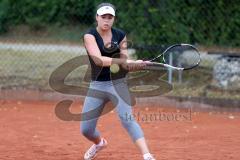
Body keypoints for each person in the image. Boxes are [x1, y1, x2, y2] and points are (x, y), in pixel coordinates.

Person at [81, 2, 156, 160]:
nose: (106, 20)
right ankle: (99, 143)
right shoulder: (89, 36)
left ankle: (147, 155)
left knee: (127, 119)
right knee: (86, 129)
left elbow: (124, 61)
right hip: (97, 85)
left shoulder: (120, 35)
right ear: (97, 17)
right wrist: (124, 62)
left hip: (118, 83)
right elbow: (99, 60)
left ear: (114, 19)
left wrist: (136, 65)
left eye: (110, 17)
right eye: (103, 17)